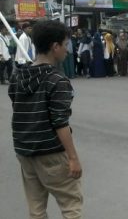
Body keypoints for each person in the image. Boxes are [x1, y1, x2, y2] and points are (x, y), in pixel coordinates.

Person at [8, 20, 83, 219]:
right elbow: (60, 122)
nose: (67, 50)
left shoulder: (17, 76)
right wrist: (73, 158)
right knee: (71, 205)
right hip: (50, 152)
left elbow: (19, 107)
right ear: (54, 46)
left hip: (25, 151)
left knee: (36, 209)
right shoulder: (57, 80)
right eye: (65, 45)